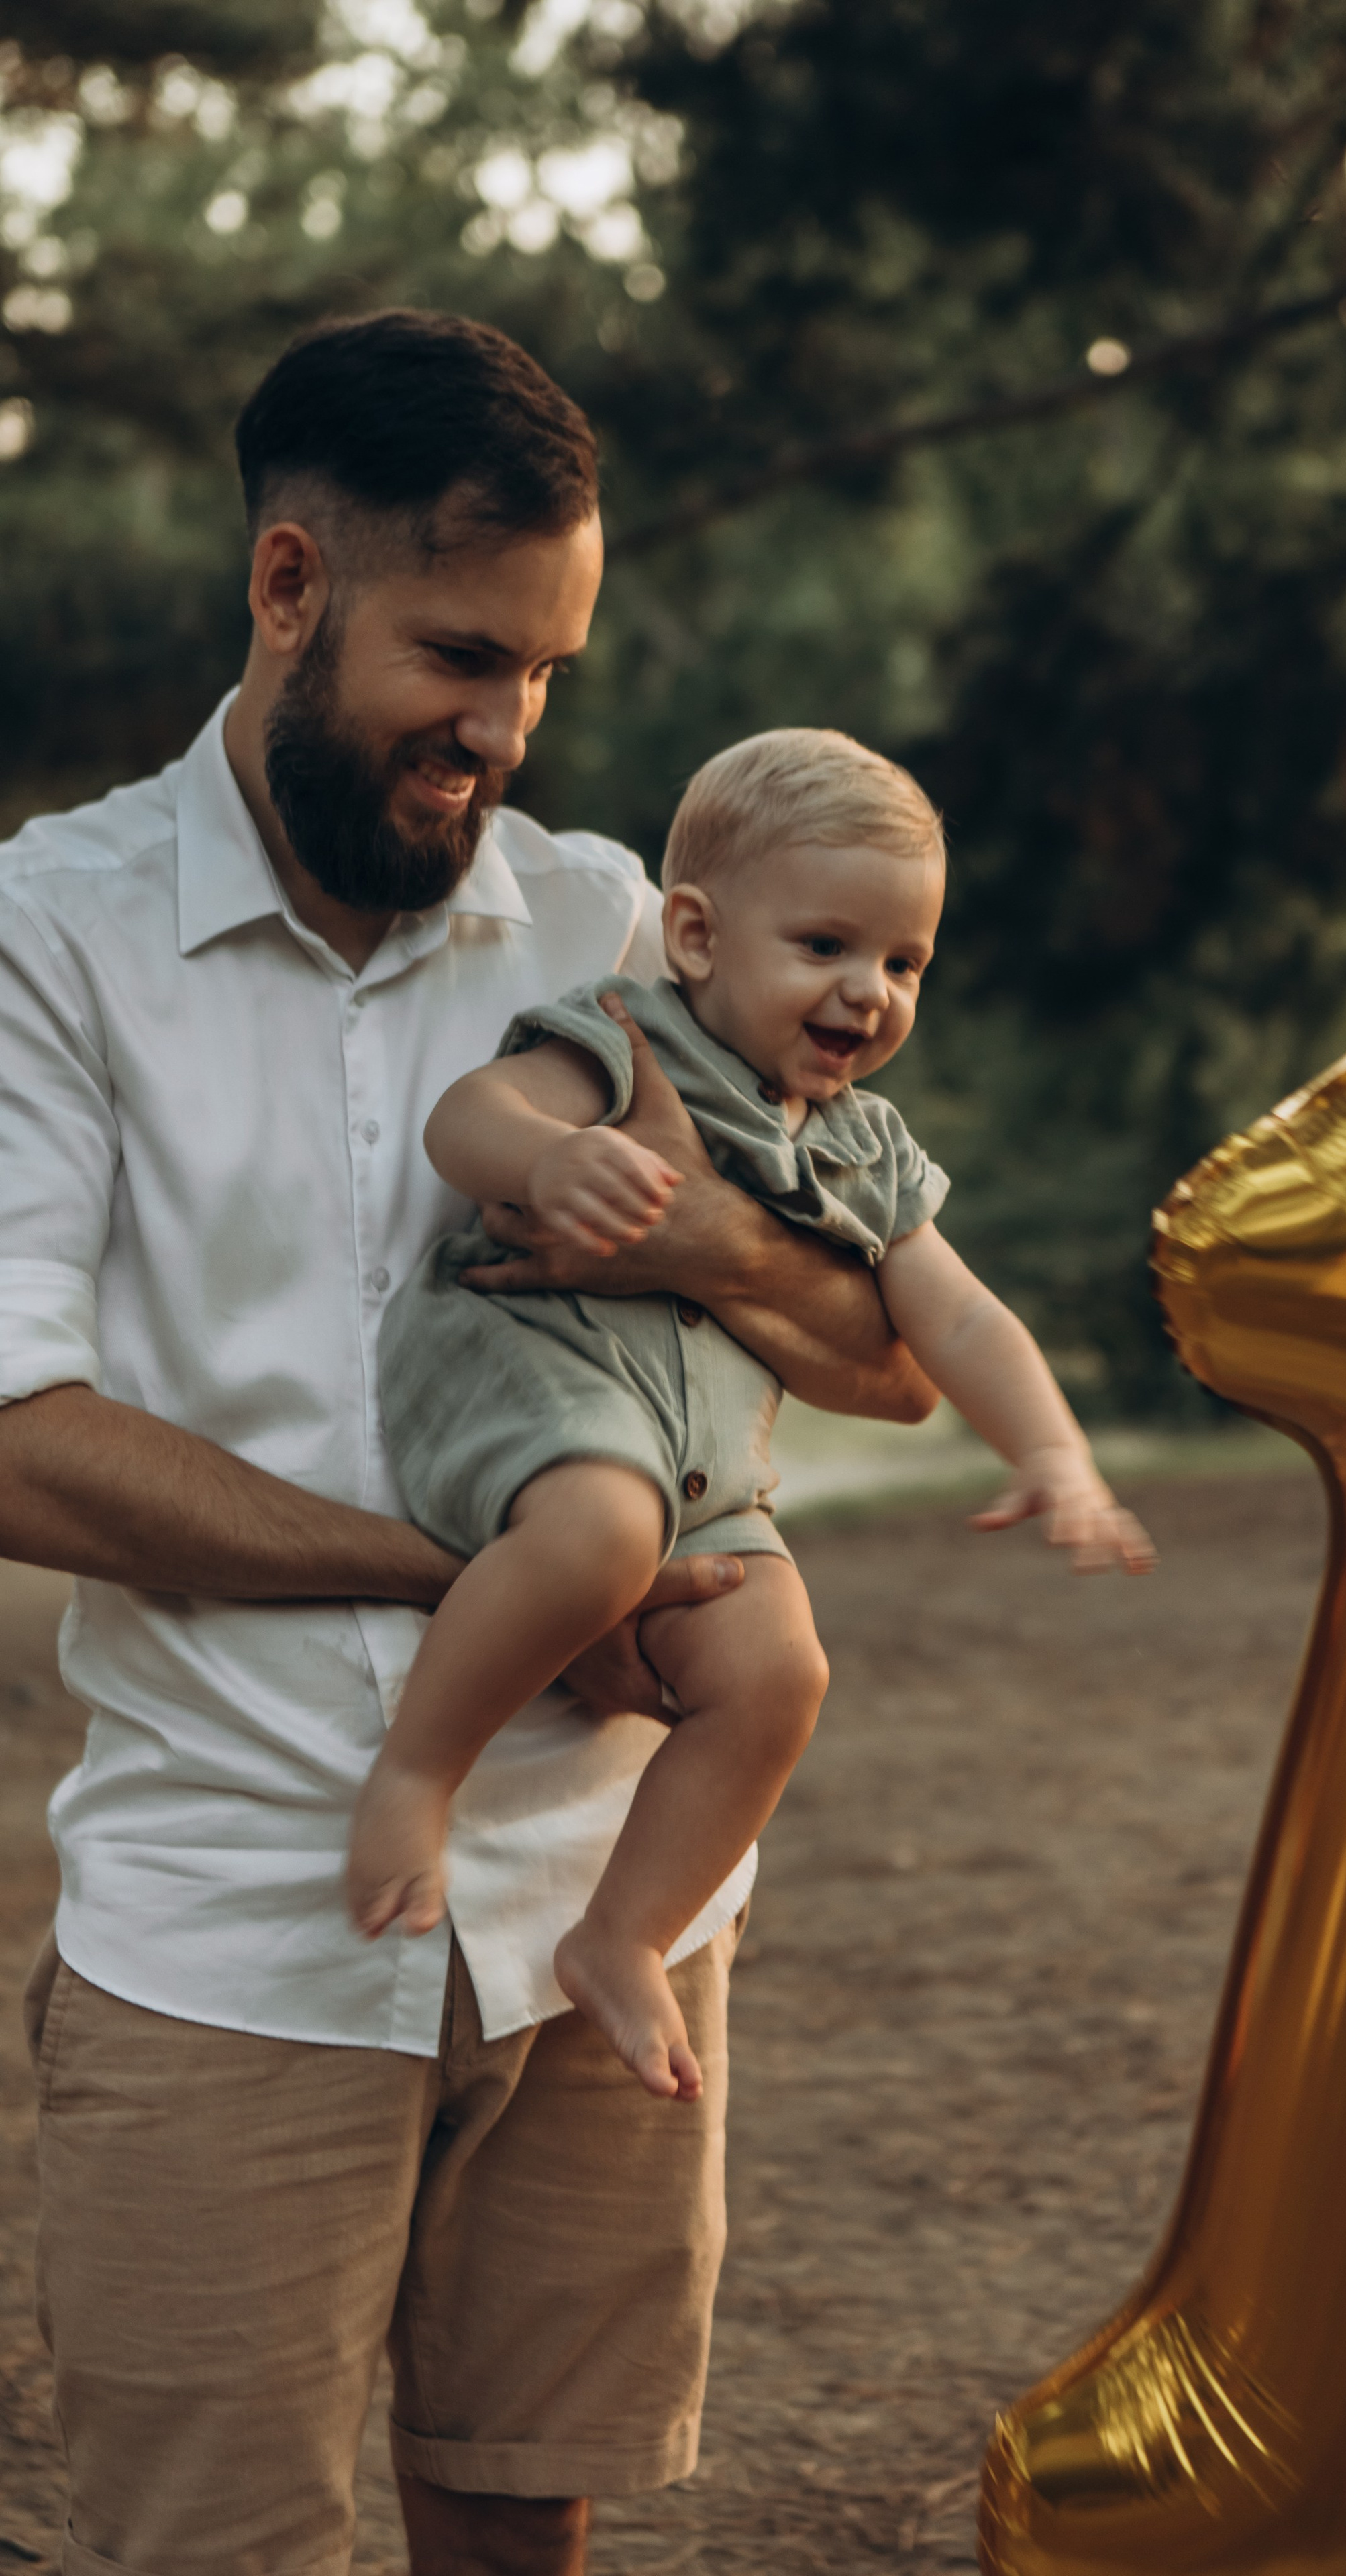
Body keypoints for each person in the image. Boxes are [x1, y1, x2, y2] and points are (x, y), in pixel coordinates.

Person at [1, 309, 936, 2576]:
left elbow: (887, 1351)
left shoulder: (625, 916)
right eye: (460, 657)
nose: (501, 736)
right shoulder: (52, 933)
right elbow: (20, 1445)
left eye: (545, 676)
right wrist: (497, 1592)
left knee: (527, 2523)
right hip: (240, 1922)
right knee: (204, 2544)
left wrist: (707, 1235)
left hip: (605, 1907)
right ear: (291, 584)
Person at [350, 728, 1157, 2100]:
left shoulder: (864, 1146)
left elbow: (948, 1320)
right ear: (697, 934)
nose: (869, 993)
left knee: (781, 1675)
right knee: (604, 1529)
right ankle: (417, 1776)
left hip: (707, 1467)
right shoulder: (622, 1039)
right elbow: (464, 1122)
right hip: (541, 1394)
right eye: (827, 946)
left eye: (903, 964)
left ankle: (623, 1935)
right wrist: (555, 1163)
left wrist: (1053, 1453)